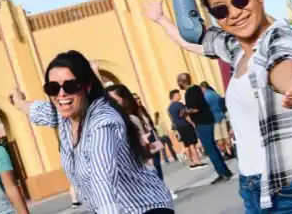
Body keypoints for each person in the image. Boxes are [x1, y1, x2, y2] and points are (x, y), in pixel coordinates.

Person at [145, 0, 292, 213]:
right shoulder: (237, 49)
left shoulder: (281, 37)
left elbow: (282, 66)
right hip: (252, 188)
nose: (234, 13)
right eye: (220, 10)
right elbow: (193, 36)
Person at [9, 50, 174, 214]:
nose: (61, 94)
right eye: (52, 88)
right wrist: (18, 101)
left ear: (87, 86)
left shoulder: (102, 123)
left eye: (70, 86)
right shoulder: (64, 115)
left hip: (143, 208)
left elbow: (103, 180)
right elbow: (38, 110)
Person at [178, 75, 233, 184]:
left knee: (210, 150)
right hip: (209, 120)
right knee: (214, 149)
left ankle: (222, 173)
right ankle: (225, 171)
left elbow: (195, 109)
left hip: (202, 123)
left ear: (182, 82)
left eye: (178, 81)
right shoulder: (197, 88)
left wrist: (185, 112)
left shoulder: (190, 93)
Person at [166, 89, 205, 168]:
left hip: (179, 127)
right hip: (186, 125)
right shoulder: (179, 104)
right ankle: (198, 161)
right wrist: (192, 123)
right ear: (174, 96)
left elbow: (172, 119)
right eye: (178, 94)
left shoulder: (169, 107)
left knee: (186, 145)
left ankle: (191, 163)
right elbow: (185, 115)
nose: (180, 95)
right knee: (192, 144)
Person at [198, 82, 234, 159]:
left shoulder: (206, 96)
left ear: (203, 88)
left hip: (214, 118)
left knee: (218, 137)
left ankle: (225, 153)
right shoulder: (215, 94)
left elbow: (205, 109)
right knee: (226, 135)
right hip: (221, 115)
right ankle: (231, 151)